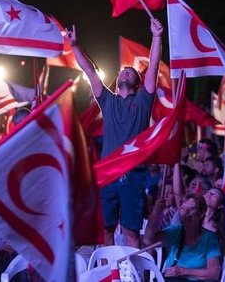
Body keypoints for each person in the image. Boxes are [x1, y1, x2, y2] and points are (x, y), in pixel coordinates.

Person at [67, 18, 163, 247]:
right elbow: (89, 70)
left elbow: (153, 67)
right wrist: (75, 46)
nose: (126, 72)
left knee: (131, 232)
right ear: (117, 81)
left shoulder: (143, 100)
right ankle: (109, 269)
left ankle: (131, 269)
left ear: (138, 83)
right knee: (105, 230)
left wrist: (157, 36)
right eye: (124, 71)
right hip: (108, 172)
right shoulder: (108, 100)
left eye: (131, 72)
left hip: (133, 173)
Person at [144, 193, 222, 281]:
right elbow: (148, 241)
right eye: (182, 208)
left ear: (201, 214)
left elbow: (214, 273)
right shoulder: (176, 231)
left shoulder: (209, 238)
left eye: (192, 208)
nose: (185, 213)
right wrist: (155, 213)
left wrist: (183, 271)